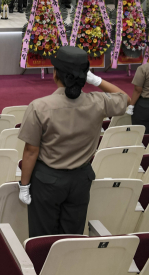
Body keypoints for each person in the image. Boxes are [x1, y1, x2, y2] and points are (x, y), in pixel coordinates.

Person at [18, 46, 130, 237]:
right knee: (72, 236)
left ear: (55, 74)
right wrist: (97, 80)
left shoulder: (39, 107)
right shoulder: (98, 102)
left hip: (47, 180)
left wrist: (24, 185)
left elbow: (30, 151)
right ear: (84, 76)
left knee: (43, 236)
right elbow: (125, 98)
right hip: (81, 179)